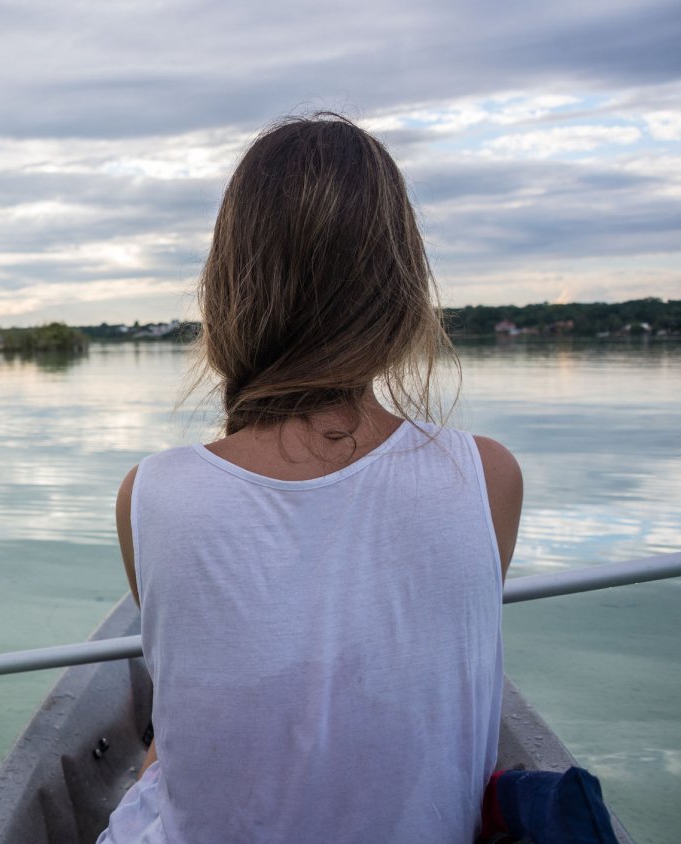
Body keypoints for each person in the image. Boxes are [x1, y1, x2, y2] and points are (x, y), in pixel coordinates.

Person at [96, 114, 523, 843]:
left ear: (225, 289)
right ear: (399, 289)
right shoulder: (486, 477)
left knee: (160, 756)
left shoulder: (153, 495)